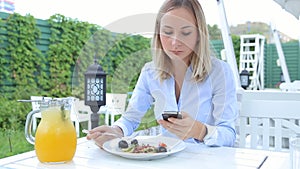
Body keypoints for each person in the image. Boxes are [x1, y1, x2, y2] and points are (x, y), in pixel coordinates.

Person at [87, 0, 238, 147]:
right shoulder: (149, 72)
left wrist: (200, 131)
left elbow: (229, 134)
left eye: (185, 32)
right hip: (165, 158)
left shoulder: (219, 72)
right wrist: (116, 131)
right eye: (167, 32)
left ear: (199, 34)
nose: (175, 42)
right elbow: (131, 118)